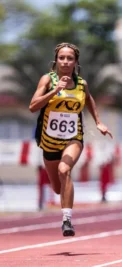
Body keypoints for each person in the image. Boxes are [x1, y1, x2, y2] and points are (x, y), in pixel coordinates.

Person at [29, 42, 112, 237]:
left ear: (76, 62)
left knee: (64, 170)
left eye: (70, 58)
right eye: (62, 58)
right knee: (57, 189)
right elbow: (33, 106)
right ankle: (64, 202)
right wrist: (55, 91)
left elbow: (89, 99)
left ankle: (67, 220)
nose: (66, 62)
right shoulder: (47, 80)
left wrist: (98, 122)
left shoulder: (81, 84)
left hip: (73, 138)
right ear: (56, 60)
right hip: (49, 141)